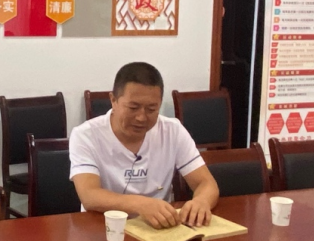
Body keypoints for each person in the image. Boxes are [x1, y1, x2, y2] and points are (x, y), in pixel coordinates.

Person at [69, 62, 220, 229]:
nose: (141, 117)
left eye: (151, 109)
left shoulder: (173, 130)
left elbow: (206, 183)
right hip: (103, 228)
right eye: (133, 107)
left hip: (158, 229)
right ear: (113, 100)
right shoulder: (86, 135)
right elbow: (89, 195)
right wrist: (140, 204)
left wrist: (201, 202)